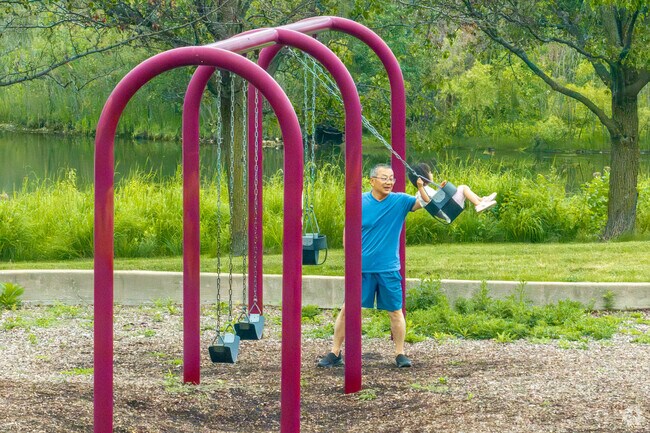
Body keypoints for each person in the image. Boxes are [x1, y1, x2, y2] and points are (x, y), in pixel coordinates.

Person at [317, 163, 422, 369]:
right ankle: (335, 352)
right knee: (348, 310)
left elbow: (425, 204)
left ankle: (400, 353)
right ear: (371, 180)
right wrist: (349, 260)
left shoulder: (400, 201)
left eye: (391, 178)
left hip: (388, 268)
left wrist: (423, 186)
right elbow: (349, 230)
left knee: (395, 311)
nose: (389, 182)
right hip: (361, 269)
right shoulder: (359, 201)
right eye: (384, 178)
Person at [408, 162, 497, 217]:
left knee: (463, 188)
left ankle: (482, 200)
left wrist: (441, 189)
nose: (432, 174)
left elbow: (436, 200)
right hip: (448, 210)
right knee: (463, 188)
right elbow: (428, 201)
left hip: (447, 208)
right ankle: (478, 204)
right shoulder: (421, 191)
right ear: (423, 175)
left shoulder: (425, 190)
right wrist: (420, 187)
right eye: (430, 172)